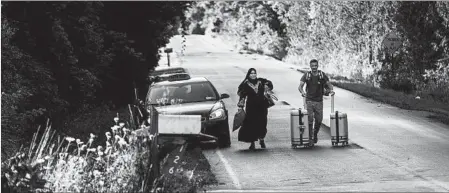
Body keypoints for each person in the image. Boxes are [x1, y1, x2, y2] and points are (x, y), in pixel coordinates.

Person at [298, 59, 335, 144]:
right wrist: (303, 92)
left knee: (319, 120)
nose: (314, 67)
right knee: (310, 120)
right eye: (312, 66)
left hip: (319, 101)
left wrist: (331, 90)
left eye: (315, 65)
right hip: (309, 101)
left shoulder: (322, 75)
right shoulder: (306, 75)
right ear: (310, 66)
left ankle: (315, 134)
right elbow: (300, 87)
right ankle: (310, 138)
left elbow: (329, 85)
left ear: (317, 66)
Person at [237, 68, 274, 150]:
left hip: (262, 107)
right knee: (251, 124)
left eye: (254, 73)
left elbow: (270, 84)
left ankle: (261, 139)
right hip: (251, 107)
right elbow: (242, 95)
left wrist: (267, 86)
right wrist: (240, 106)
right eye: (251, 73)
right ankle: (252, 143)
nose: (253, 75)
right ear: (248, 74)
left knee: (262, 123)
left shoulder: (261, 81)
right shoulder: (245, 84)